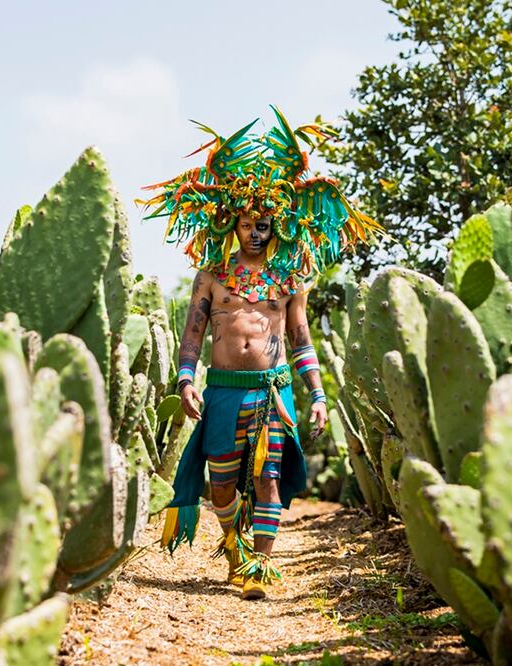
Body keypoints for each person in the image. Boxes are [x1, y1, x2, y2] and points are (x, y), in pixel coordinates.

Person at [140, 106, 381, 600]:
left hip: (273, 390)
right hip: (224, 390)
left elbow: (301, 340)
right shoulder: (210, 275)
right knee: (221, 482)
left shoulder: (290, 278)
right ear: (235, 222)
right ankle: (234, 551)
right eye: (249, 223)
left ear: (276, 228)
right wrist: (186, 381)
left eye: (265, 225)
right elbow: (192, 335)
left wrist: (316, 395)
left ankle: (259, 568)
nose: (256, 232)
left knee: (269, 478)